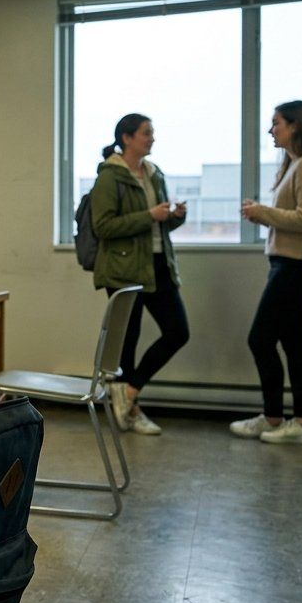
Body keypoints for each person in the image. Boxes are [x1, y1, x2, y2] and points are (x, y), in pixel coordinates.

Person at [230, 100, 302, 445]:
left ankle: (281, 419)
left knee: (260, 339)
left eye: (276, 123)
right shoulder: (296, 165)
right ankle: (296, 421)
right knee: (293, 343)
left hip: (299, 266)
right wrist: (265, 214)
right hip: (290, 265)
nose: (271, 130)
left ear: (295, 126)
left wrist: (263, 213)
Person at [90, 113, 189, 436]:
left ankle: (129, 393)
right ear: (127, 137)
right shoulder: (110, 176)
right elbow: (103, 227)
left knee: (178, 331)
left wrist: (173, 217)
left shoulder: (154, 174)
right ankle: (129, 411)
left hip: (158, 264)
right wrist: (149, 215)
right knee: (127, 344)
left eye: (152, 132)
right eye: (147, 133)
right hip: (124, 269)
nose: (152, 138)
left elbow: (158, 223)